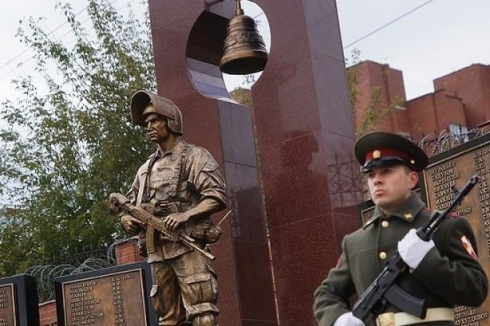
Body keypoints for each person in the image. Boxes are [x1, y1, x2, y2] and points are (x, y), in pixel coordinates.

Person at [313, 132, 488, 326]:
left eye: (386, 171)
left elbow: (476, 290)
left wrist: (428, 261)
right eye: (371, 175)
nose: (376, 180)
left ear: (412, 180)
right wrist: (337, 318)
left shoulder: (445, 227)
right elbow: (326, 294)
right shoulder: (355, 242)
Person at [120, 90, 227, 326]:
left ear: (171, 122)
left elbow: (216, 196)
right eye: (146, 123)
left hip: (186, 245)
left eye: (154, 120)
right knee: (167, 318)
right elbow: (129, 206)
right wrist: (127, 221)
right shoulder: (145, 169)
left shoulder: (195, 156)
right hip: (157, 251)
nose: (149, 127)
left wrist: (185, 215)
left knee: (202, 314)